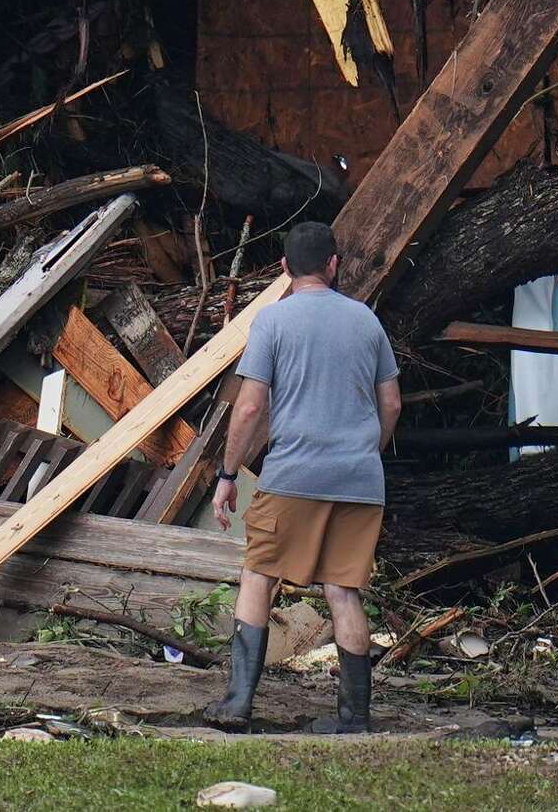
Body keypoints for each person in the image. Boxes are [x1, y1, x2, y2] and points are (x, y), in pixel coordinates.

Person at [203, 220, 401, 733]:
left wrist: (228, 473)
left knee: (258, 574)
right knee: (343, 589)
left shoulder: (273, 322)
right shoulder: (367, 322)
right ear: (334, 265)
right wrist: (364, 451)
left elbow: (249, 408)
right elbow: (392, 403)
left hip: (293, 476)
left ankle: (238, 704)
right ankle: (354, 718)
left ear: (285, 268)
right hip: (359, 480)